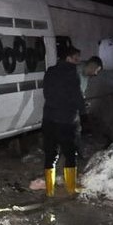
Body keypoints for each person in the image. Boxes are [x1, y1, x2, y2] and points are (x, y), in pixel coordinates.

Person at [42, 46, 87, 197]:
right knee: (70, 154)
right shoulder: (72, 73)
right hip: (66, 121)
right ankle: (71, 188)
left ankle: (49, 190)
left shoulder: (50, 71)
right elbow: (76, 95)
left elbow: (46, 92)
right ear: (68, 58)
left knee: (50, 154)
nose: (78, 61)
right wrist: (83, 112)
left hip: (49, 119)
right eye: (76, 58)